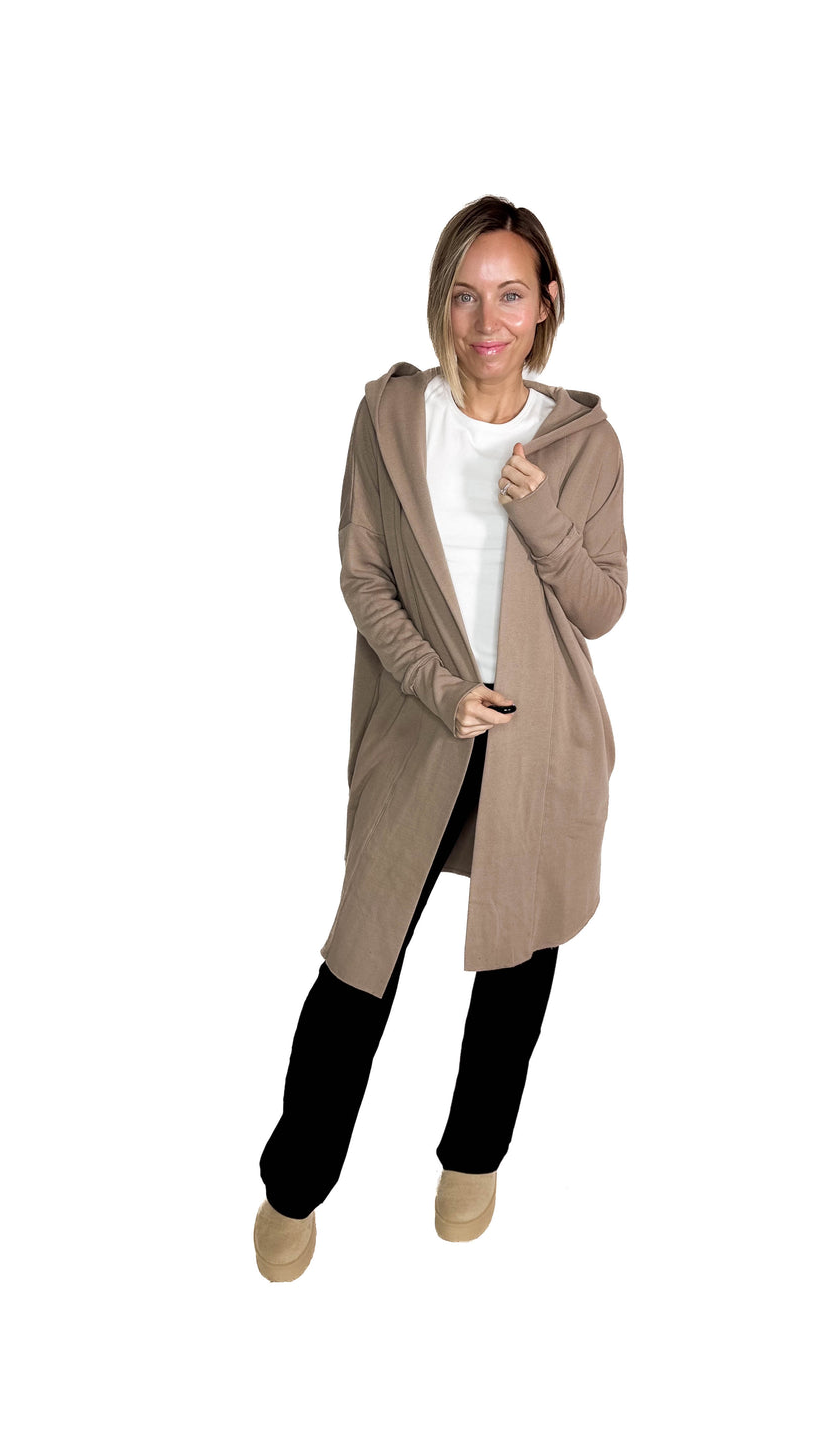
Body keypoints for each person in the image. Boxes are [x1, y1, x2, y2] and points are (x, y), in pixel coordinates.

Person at [254, 195, 628, 1281]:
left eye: (510, 294)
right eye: (466, 295)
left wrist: (540, 513)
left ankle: (473, 1159)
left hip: (545, 743)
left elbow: (603, 605)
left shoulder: (585, 442)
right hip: (421, 729)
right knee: (359, 966)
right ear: (442, 302)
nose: (486, 320)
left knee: (518, 964)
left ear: (546, 303)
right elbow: (362, 576)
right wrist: (438, 687)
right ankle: (296, 1180)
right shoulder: (390, 418)